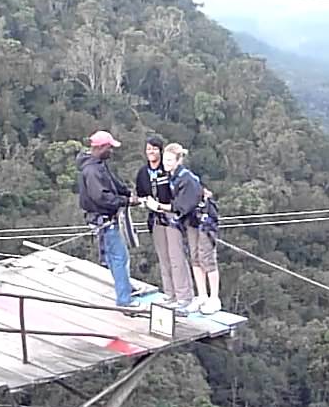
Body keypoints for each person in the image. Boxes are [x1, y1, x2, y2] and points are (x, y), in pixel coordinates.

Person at [142, 143, 222, 315]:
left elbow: (181, 206)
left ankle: (214, 298)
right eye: (165, 159)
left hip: (204, 219)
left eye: (170, 160)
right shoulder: (172, 176)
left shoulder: (187, 179)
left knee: (206, 257)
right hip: (191, 221)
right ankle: (201, 295)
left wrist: (158, 206)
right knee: (194, 257)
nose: (166, 163)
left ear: (179, 160)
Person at [76, 130, 141, 307]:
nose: (112, 151)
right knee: (120, 257)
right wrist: (126, 201)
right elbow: (101, 197)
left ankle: (125, 288)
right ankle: (124, 300)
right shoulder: (92, 170)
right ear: (102, 147)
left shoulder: (98, 164)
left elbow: (113, 183)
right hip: (103, 218)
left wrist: (128, 193)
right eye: (110, 148)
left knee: (115, 256)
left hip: (104, 217)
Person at [135, 136, 192, 309]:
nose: (151, 152)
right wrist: (145, 202)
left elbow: (180, 192)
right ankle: (170, 294)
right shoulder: (143, 173)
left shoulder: (167, 169)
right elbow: (140, 192)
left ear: (161, 150)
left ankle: (184, 296)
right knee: (164, 257)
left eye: (154, 148)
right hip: (155, 218)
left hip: (172, 217)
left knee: (176, 257)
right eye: (148, 149)